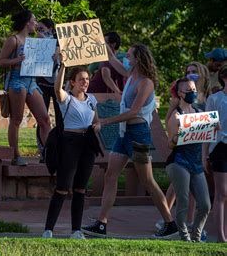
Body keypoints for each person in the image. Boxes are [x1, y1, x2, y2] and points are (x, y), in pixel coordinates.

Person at [82, 43, 178, 239]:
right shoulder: (130, 74)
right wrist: (103, 45)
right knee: (111, 175)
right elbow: (113, 61)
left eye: (129, 55)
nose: (126, 57)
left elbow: (134, 112)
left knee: (147, 180)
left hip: (138, 133)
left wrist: (106, 120)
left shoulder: (146, 82)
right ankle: (102, 223)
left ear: (138, 58)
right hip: (124, 134)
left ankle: (170, 224)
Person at [42, 66, 101, 239]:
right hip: (70, 143)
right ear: (73, 82)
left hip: (87, 144)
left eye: (87, 79)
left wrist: (98, 126)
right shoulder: (66, 99)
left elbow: (96, 121)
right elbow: (57, 89)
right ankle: (48, 229)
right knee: (62, 187)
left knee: (80, 189)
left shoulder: (92, 100)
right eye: (81, 79)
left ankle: (76, 230)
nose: (85, 82)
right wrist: (63, 66)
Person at [0, 10, 51, 166]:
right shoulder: (14, 40)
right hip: (17, 81)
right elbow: (1, 62)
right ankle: (15, 155)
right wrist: (17, 60)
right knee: (17, 119)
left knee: (45, 119)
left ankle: (47, 154)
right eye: (34, 20)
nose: (36, 23)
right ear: (27, 22)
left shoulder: (33, 41)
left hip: (31, 81)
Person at [166, 78, 211, 241]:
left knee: (205, 204)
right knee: (183, 202)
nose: (192, 93)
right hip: (179, 161)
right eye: (188, 91)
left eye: (193, 90)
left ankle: (196, 236)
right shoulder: (176, 116)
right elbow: (170, 144)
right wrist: (178, 137)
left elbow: (208, 134)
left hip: (196, 164)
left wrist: (214, 127)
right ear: (179, 93)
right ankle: (184, 236)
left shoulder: (200, 114)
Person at [203, 64, 227, 243]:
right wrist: (205, 154)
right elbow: (206, 128)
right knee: (222, 192)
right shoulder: (214, 98)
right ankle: (220, 235)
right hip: (219, 146)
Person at [35, 18, 62, 162]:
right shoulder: (35, 43)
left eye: (42, 28)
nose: (39, 32)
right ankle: (44, 151)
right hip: (42, 84)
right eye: (37, 29)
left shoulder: (60, 42)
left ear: (51, 28)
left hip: (58, 85)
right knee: (42, 118)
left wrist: (59, 57)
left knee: (61, 119)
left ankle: (60, 150)